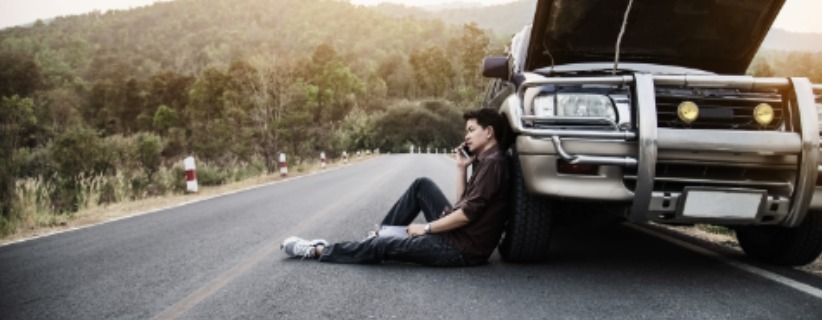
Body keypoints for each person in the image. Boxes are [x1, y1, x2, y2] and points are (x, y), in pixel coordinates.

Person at [280, 108, 510, 266]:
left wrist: (426, 228)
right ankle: (376, 238)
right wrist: (460, 168)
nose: (466, 136)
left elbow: (466, 214)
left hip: (461, 249)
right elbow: (462, 205)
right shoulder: (486, 161)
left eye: (471, 130)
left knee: (382, 246)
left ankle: (318, 250)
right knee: (422, 185)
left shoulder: (493, 164)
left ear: (489, 132)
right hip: (457, 235)